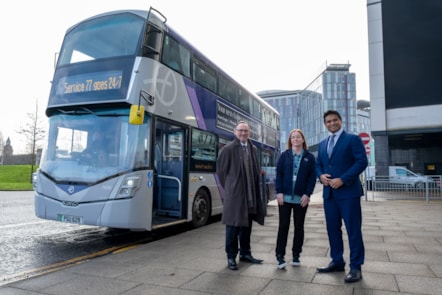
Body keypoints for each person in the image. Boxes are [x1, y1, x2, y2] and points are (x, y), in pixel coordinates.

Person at [315, 110, 368, 283]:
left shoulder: (352, 139)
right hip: (329, 194)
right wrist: (321, 175)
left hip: (348, 193)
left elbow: (361, 161)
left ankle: (355, 267)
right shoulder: (322, 144)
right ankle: (337, 261)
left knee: (353, 230)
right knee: (332, 229)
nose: (331, 123)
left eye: (334, 120)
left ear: (340, 120)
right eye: (328, 121)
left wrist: (343, 179)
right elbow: (319, 165)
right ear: (325, 124)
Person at [216, 121, 266, 271]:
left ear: (249, 133)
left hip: (251, 195)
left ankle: (245, 253)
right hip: (236, 195)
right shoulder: (228, 149)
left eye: (246, 131)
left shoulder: (252, 148)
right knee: (233, 227)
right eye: (240, 130)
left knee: (247, 226)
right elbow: (221, 173)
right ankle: (231, 256)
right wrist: (232, 188)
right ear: (235, 132)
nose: (243, 133)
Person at [275, 129, 316, 269]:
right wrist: (279, 192)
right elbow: (278, 174)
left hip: (301, 199)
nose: (296, 139)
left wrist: (307, 194)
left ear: (303, 140)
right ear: (290, 140)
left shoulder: (309, 157)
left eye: (298, 137)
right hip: (284, 198)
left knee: (299, 227)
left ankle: (296, 255)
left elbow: (312, 178)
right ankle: (280, 256)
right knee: (283, 226)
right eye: (293, 137)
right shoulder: (284, 155)